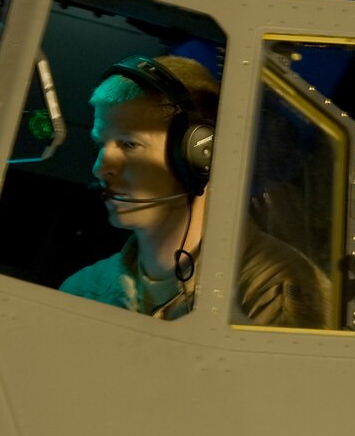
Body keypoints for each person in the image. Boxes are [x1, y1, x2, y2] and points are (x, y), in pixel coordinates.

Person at [60, 54, 332, 327]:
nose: (100, 167)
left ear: (198, 156)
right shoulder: (83, 291)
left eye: (129, 145)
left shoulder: (276, 288)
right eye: (100, 144)